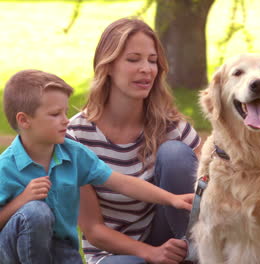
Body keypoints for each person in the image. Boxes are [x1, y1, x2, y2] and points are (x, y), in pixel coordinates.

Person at [0, 69, 193, 264]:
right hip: (12, 252)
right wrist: (22, 200)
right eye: (55, 114)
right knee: (36, 211)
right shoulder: (6, 167)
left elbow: (122, 183)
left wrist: (172, 199)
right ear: (24, 120)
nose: (66, 120)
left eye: (65, 112)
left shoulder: (73, 153)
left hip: (63, 252)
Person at [66, 18, 200, 264]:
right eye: (133, 59)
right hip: (115, 253)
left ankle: (196, 255)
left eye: (152, 61)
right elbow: (93, 230)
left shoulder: (172, 126)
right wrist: (150, 254)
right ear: (107, 66)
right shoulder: (76, 136)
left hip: (170, 240)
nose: (147, 69)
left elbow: (213, 189)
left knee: (175, 153)